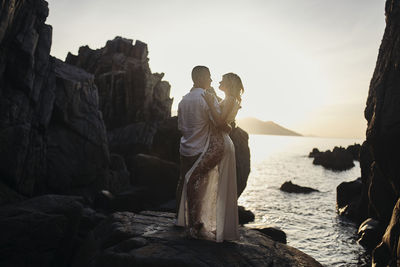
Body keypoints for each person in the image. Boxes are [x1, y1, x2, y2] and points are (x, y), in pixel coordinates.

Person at [176, 66, 243, 243]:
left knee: (194, 179)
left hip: (215, 144)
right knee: (208, 183)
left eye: (221, 79)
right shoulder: (213, 98)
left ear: (229, 84)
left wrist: (225, 125)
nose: (216, 80)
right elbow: (223, 123)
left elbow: (220, 122)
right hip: (213, 143)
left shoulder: (187, 100)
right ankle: (201, 223)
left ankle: (195, 223)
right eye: (212, 77)